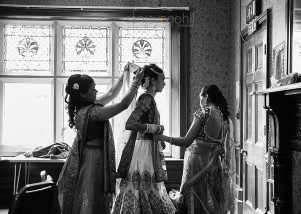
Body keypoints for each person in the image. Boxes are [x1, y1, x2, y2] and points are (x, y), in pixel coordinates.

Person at [56, 63, 144, 214]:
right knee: (91, 194)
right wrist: (136, 83)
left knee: (90, 195)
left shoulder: (85, 109)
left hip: (87, 155)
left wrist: (124, 76)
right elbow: (123, 105)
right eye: (93, 89)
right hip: (93, 159)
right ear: (83, 94)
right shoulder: (94, 113)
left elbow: (111, 94)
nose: (96, 90)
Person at [154, 84, 234, 214]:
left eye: (200, 98)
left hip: (197, 163)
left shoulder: (203, 114)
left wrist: (163, 137)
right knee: (212, 201)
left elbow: (186, 141)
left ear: (206, 96)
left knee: (196, 200)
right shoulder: (224, 117)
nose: (200, 101)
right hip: (214, 165)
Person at [112, 64, 176, 214]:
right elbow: (130, 124)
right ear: (153, 81)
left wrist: (158, 136)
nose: (164, 83)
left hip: (147, 147)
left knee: (147, 187)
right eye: (162, 79)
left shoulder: (150, 99)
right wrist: (155, 128)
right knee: (144, 186)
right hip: (143, 151)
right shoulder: (146, 98)